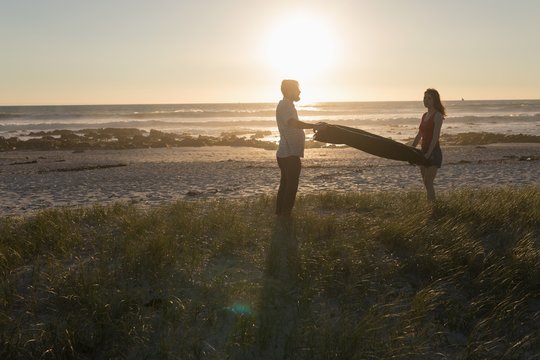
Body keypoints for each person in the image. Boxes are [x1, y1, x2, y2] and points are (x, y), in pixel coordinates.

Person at [275, 79, 324, 217]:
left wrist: (314, 125)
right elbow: (293, 123)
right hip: (289, 154)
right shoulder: (285, 105)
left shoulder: (287, 104)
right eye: (297, 89)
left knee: (286, 184)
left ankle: (280, 214)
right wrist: (314, 126)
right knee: (291, 186)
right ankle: (284, 216)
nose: (300, 91)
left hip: (287, 152)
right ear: (290, 90)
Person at [412, 88, 446, 201]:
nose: (426, 100)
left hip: (434, 152)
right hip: (423, 151)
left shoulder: (437, 115)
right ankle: (430, 206)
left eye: (429, 98)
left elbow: (435, 137)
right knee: (426, 184)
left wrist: (428, 154)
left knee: (428, 182)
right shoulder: (424, 115)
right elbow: (419, 134)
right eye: (424, 98)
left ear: (435, 100)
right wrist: (411, 149)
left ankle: (433, 208)